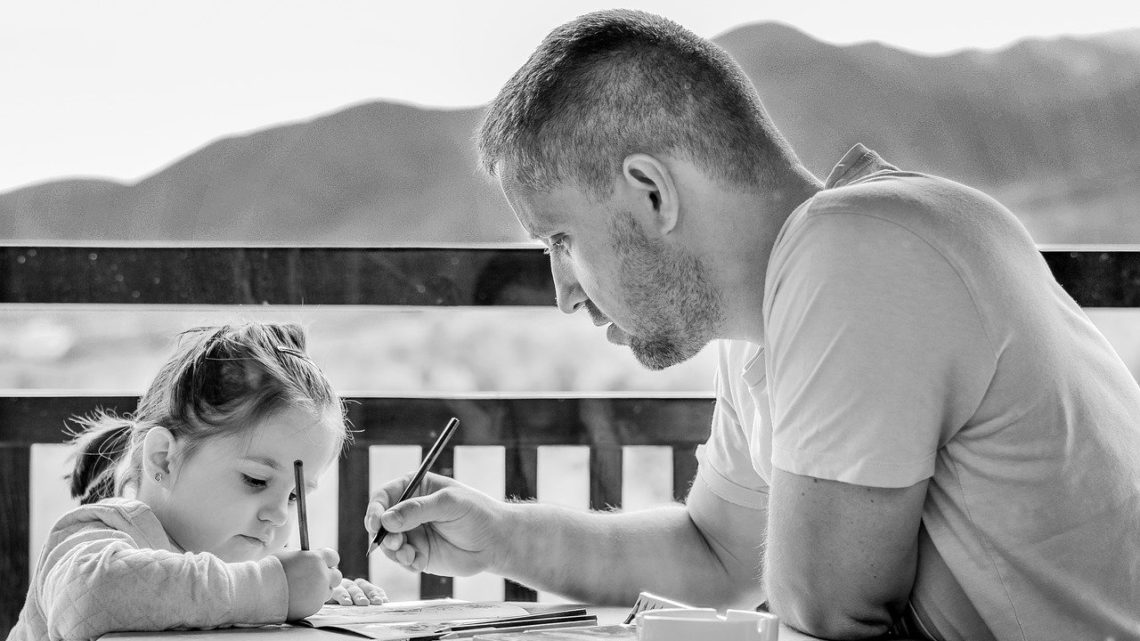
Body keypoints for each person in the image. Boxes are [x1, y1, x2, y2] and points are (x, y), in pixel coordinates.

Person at [365, 9, 1140, 641]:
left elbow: (823, 612)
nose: (565, 293)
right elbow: (714, 553)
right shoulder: (777, 311)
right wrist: (499, 534)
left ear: (651, 194)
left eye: (561, 241)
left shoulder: (856, 250)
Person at [9, 322, 386, 641]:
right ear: (164, 459)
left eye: (293, 496)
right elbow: (91, 596)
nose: (277, 515)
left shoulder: (237, 567)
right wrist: (272, 589)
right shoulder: (99, 537)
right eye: (256, 480)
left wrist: (316, 601)